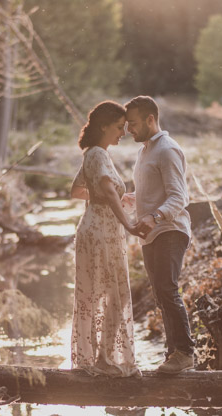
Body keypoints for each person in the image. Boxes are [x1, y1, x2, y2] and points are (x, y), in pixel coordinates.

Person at [69, 101, 143, 377]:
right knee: (112, 293)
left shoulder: (93, 154)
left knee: (101, 293)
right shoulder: (98, 154)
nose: (123, 133)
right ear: (103, 126)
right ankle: (103, 358)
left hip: (95, 227)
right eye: (119, 127)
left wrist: (108, 198)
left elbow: (78, 191)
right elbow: (108, 192)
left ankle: (101, 357)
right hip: (101, 231)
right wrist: (129, 224)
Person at [123, 96, 196, 374]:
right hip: (152, 234)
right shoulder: (145, 151)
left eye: (133, 123)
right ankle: (172, 353)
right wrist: (132, 198)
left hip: (170, 229)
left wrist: (154, 217)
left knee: (167, 289)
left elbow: (179, 196)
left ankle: (185, 353)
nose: (129, 129)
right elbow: (153, 191)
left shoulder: (167, 149)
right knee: (161, 295)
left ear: (150, 119)